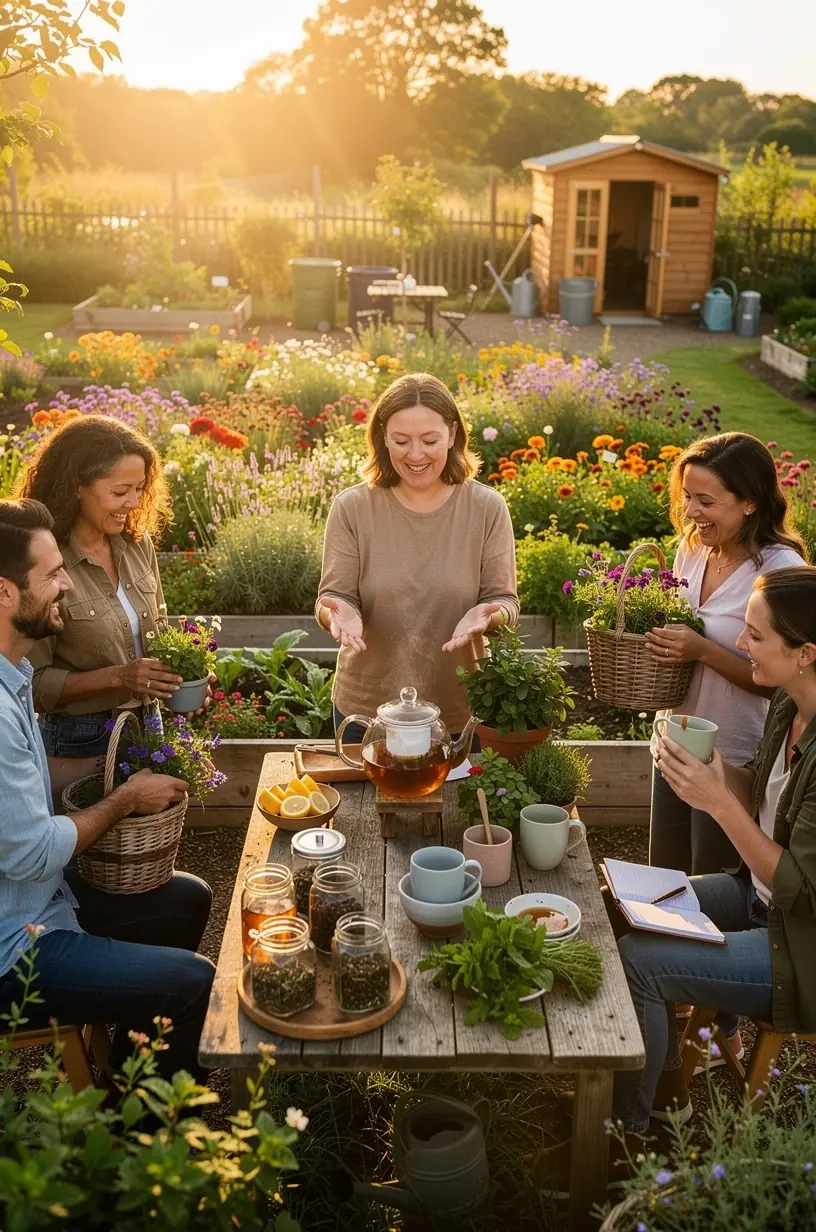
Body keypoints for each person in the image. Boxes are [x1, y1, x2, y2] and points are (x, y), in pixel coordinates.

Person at [538, 565, 816, 1185]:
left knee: (643, 960)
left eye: (756, 636)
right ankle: (647, 1082)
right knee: (613, 907)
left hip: (798, 942)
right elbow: (756, 797)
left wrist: (717, 803)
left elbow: (800, 884)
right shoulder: (786, 709)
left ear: (806, 654)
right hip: (756, 897)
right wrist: (712, 773)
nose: (741, 647)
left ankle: (625, 1139)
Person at [0, 498, 214, 1080]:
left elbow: (26, 797)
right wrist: (122, 800)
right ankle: (144, 1158)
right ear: (5, 594)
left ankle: (125, 1090)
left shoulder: (12, 676)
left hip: (35, 900)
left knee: (186, 897)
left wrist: (120, 774)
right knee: (194, 983)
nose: (67, 584)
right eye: (51, 574)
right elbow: (34, 851)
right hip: (13, 948)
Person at [316, 373, 519, 743]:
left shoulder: (486, 508)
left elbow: (504, 601)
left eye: (429, 440)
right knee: (364, 803)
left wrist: (489, 615)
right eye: (400, 441)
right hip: (365, 712)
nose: (415, 455)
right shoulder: (353, 508)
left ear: (453, 434)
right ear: (381, 438)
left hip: (461, 711)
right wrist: (336, 613)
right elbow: (333, 597)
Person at [646, 433, 806, 877]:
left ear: (749, 503)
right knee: (663, 877)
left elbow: (785, 680)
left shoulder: (779, 571)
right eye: (687, 497)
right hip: (673, 737)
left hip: (731, 755)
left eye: (707, 501)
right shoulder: (692, 551)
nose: (692, 512)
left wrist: (702, 649)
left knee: (710, 883)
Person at [15, 415, 186, 800]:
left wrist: (182, 676)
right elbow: (33, 684)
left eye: (140, 488)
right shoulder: (45, 563)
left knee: (145, 849)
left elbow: (158, 635)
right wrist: (120, 677)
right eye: (120, 490)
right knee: (87, 853)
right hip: (78, 740)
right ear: (77, 486)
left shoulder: (137, 546)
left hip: (145, 723)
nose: (134, 502)